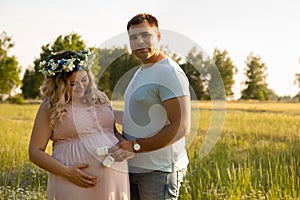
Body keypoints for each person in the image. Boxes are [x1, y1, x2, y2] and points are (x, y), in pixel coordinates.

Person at [28, 49, 130, 200]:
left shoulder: (100, 98)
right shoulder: (51, 105)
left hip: (113, 178)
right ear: (59, 83)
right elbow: (35, 152)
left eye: (84, 80)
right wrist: (66, 172)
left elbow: (112, 132)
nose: (81, 87)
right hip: (72, 180)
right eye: (73, 84)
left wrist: (125, 147)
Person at [111, 13, 191, 200]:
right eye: (133, 37)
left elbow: (181, 127)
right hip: (135, 167)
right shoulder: (141, 71)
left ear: (158, 37)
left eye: (145, 35)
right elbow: (138, 117)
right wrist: (100, 112)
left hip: (159, 171)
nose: (139, 42)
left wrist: (134, 146)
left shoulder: (168, 72)